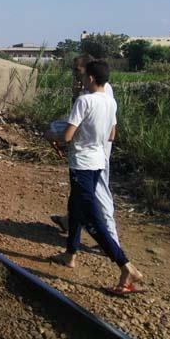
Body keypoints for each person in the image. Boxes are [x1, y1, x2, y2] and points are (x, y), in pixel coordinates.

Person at [51, 60, 144, 295]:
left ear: (91, 78)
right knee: (75, 206)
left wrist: (51, 137)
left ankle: (125, 265)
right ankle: (70, 254)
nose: (80, 80)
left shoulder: (84, 101)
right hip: (98, 163)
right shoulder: (110, 102)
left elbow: (68, 136)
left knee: (91, 219)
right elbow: (111, 134)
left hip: (81, 165)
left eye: (82, 76)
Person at [49, 55, 118, 243]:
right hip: (90, 148)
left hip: (94, 151)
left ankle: (112, 240)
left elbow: (109, 127)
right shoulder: (86, 91)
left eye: (78, 71)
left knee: (99, 191)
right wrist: (76, 93)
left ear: (90, 74)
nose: (75, 75)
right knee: (80, 192)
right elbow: (78, 117)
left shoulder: (102, 92)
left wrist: (61, 138)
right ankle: (69, 221)